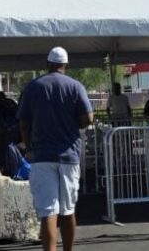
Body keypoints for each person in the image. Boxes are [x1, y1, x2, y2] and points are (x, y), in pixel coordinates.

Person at [17, 46, 93, 251]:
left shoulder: (33, 87)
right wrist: (75, 124)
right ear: (66, 64)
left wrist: (29, 148)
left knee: (48, 212)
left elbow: (23, 123)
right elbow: (88, 118)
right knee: (68, 210)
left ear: (48, 64)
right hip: (69, 156)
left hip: (41, 156)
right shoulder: (76, 86)